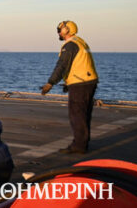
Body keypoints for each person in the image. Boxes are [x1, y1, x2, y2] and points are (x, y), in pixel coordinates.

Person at [41, 20, 99, 154]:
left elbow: (62, 65)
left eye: (60, 30)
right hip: (89, 81)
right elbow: (77, 65)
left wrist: (50, 83)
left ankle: (79, 146)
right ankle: (83, 142)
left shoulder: (70, 45)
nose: (58, 33)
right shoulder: (80, 42)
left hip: (80, 84)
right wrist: (68, 82)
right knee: (84, 114)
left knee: (77, 114)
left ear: (67, 30)